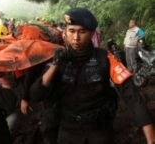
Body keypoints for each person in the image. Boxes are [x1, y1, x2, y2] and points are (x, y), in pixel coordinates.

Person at [30, 8, 155, 144]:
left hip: (99, 131)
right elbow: (36, 95)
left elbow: (131, 95)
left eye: (82, 32)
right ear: (65, 32)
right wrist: (55, 65)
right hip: (68, 131)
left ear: (91, 34)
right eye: (72, 31)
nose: (76, 38)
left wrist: (151, 138)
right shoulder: (58, 59)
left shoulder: (105, 58)